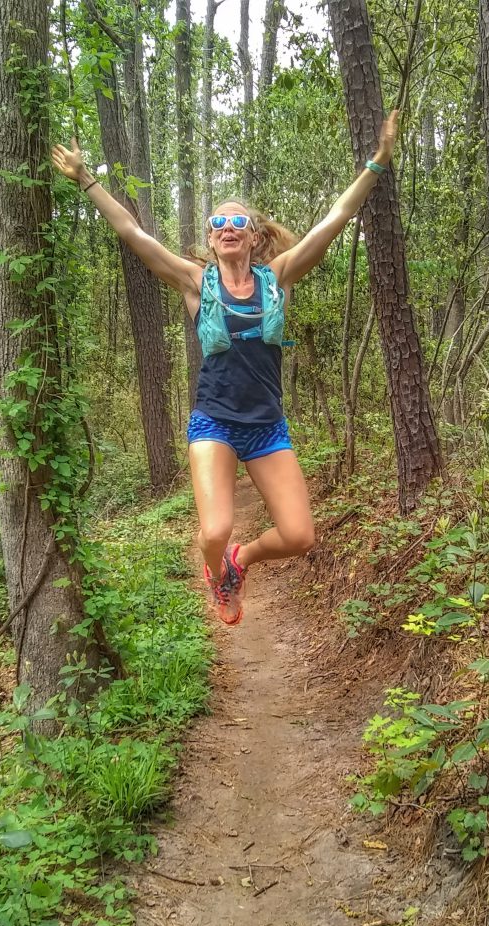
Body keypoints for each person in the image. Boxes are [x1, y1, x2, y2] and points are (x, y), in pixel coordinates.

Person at [52, 111, 398, 626]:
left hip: (267, 428)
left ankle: (241, 561)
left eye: (238, 222)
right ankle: (220, 576)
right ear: (211, 239)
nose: (228, 228)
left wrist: (377, 161)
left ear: (255, 236)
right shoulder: (196, 283)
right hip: (213, 422)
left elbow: (336, 219)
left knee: (300, 535)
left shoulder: (278, 276)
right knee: (213, 531)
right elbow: (133, 233)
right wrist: (86, 179)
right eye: (219, 223)